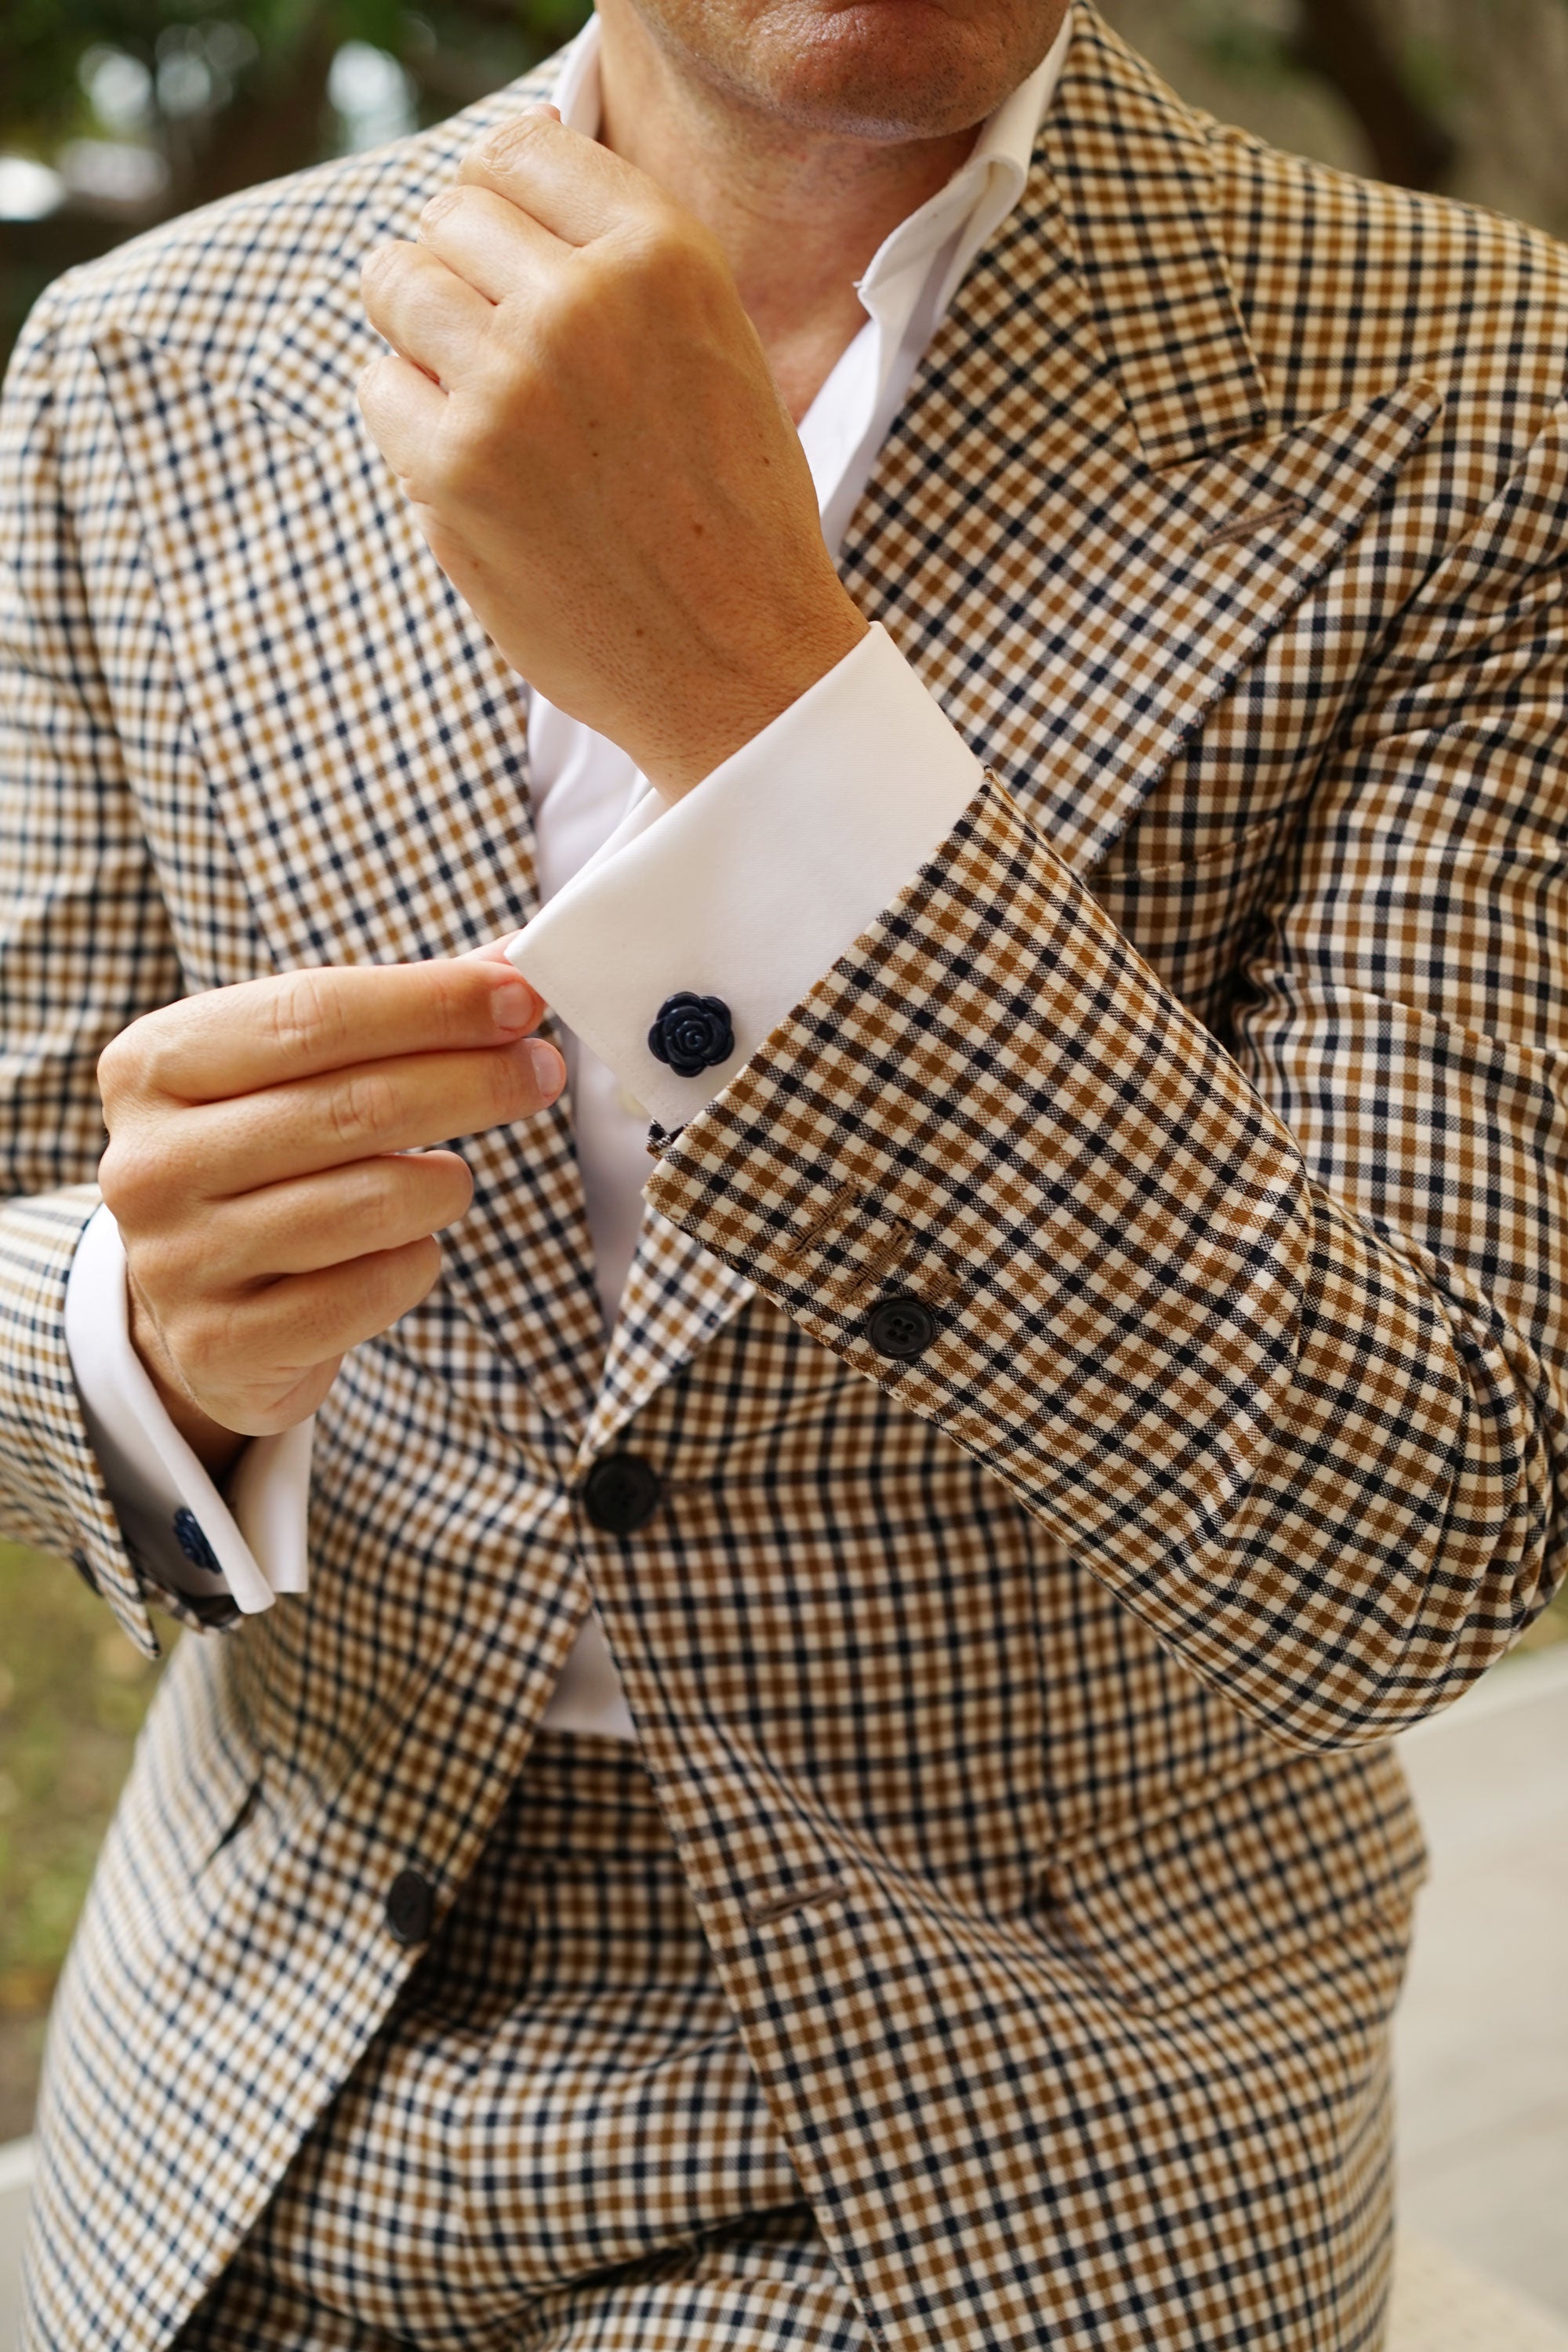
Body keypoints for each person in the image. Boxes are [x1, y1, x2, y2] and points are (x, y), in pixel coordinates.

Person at [2, 0, 1566, 2338]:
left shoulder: (1489, 385)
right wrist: (142, 1345)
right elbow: (30, 1213)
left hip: (1026, 2138)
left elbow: (1424, 1528)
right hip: (226, 2094)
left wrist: (769, 712)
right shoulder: (133, 368)